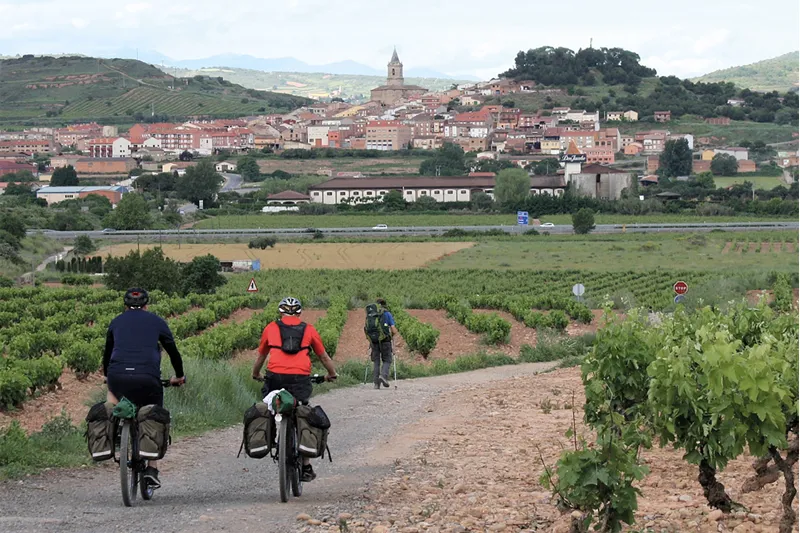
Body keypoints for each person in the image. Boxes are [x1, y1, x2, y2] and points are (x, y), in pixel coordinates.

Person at [102, 287, 186, 489]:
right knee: (152, 413)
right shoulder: (157, 321)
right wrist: (179, 376)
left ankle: (111, 436)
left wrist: (107, 375)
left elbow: (107, 352)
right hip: (147, 378)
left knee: (112, 398)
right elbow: (173, 351)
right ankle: (152, 468)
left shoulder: (116, 322)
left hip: (117, 375)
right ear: (147, 305)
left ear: (125, 305)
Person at [252, 296, 337, 482]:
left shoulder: (271, 328)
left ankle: (273, 434)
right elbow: (324, 357)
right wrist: (332, 374)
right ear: (299, 312)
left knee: (271, 405)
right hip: (300, 379)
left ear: (280, 312)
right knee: (303, 410)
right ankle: (306, 466)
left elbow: (260, 357)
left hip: (274, 376)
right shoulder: (309, 330)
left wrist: (256, 373)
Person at [368, 298, 398, 390]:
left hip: (374, 341)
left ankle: (376, 384)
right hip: (385, 341)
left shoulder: (371, 315)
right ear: (385, 305)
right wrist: (393, 338)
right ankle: (383, 376)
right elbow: (393, 330)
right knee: (387, 360)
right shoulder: (387, 314)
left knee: (376, 361)